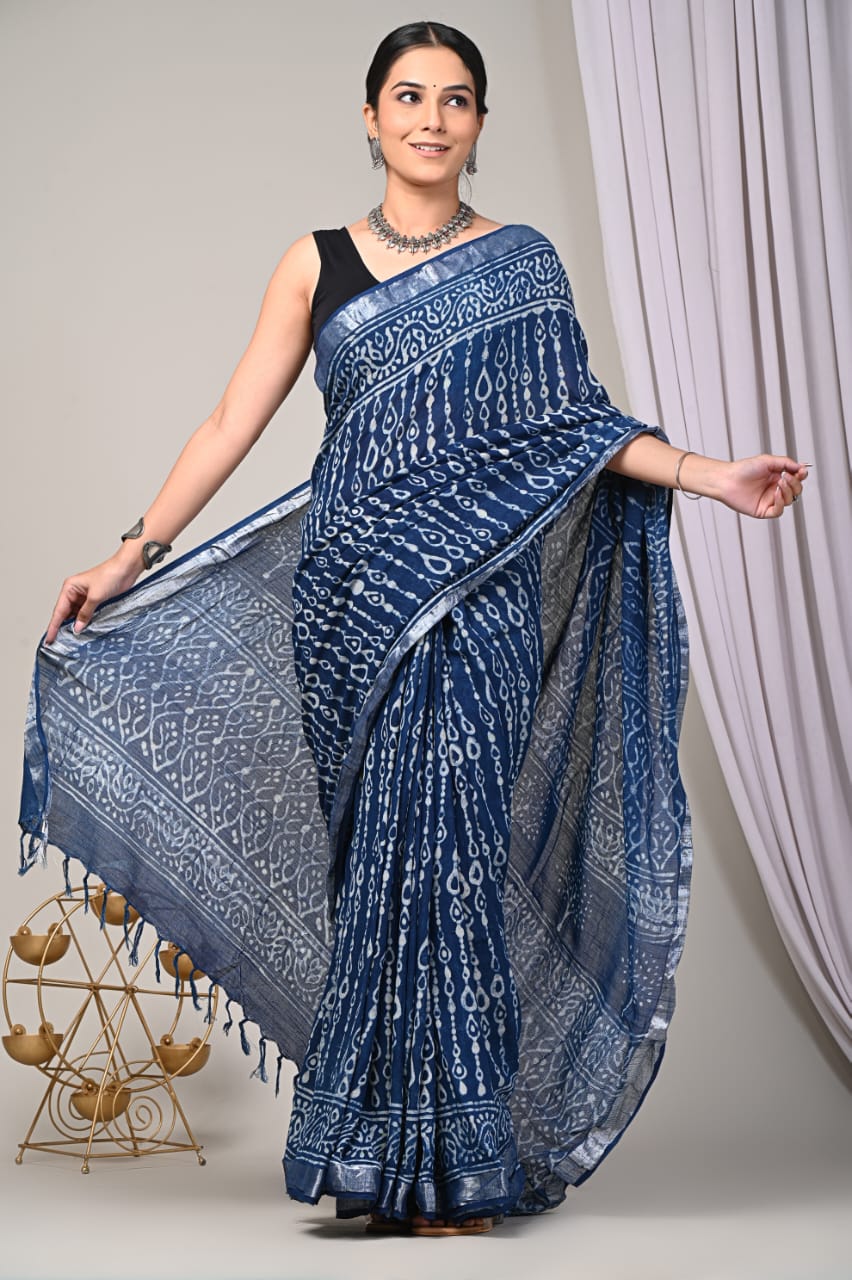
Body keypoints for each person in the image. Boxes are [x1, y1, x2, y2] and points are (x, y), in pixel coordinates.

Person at [23, 21, 807, 1238]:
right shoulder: (315, 262)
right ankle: (381, 1159)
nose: (431, 118)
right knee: (382, 869)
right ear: (371, 115)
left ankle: (458, 1166)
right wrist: (133, 549)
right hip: (352, 607)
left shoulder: (521, 263)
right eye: (408, 96)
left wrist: (711, 475)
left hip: (480, 603)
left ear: (479, 123)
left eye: (454, 99)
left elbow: (578, 430)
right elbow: (231, 421)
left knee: (451, 857)